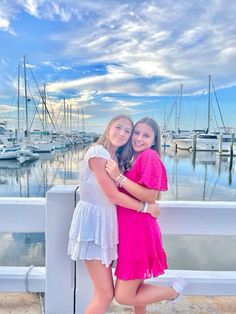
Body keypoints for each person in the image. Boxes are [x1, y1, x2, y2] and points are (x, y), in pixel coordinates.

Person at [68, 114, 160, 314]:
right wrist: (146, 207)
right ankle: (173, 291)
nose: (123, 133)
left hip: (108, 227)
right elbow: (113, 195)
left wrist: (147, 200)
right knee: (105, 294)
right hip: (93, 227)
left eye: (128, 131)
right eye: (119, 127)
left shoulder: (116, 158)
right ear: (108, 127)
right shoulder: (98, 152)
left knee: (128, 288)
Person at [105, 117, 185, 313]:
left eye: (146, 135)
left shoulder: (149, 157)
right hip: (131, 232)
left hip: (138, 233)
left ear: (154, 139)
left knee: (124, 295)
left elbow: (151, 196)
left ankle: (173, 292)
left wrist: (118, 177)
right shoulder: (135, 158)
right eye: (136, 133)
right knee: (137, 289)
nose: (139, 138)